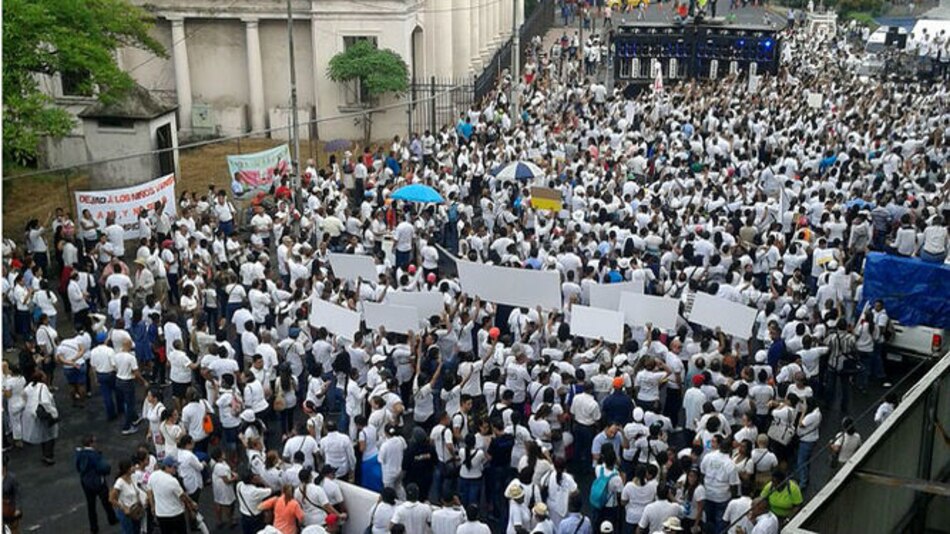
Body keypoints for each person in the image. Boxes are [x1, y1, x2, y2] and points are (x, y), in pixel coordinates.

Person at [75, 435, 117, 533]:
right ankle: (112, 519)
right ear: (91, 443)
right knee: (106, 502)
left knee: (91, 506)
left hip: (86, 482)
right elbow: (103, 467)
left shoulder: (80, 454)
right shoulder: (94, 455)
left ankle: (94, 528)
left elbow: (78, 467)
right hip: (98, 482)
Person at [147, 455, 197, 534]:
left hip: (161, 514)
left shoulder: (153, 476)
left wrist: (153, 506)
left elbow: (149, 491)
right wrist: (191, 504)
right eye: (174, 467)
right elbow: (182, 496)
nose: (176, 469)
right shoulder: (172, 481)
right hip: (176, 513)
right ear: (167, 467)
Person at [22, 370, 58, 465]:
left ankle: (45, 454)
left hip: (32, 414)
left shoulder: (29, 386)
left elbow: (24, 396)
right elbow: (45, 401)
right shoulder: (43, 387)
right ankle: (48, 456)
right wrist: (53, 413)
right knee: (49, 436)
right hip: (43, 413)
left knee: (42, 434)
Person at [109, 459, 146, 534]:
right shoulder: (120, 483)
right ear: (127, 469)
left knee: (137, 530)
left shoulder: (133, 477)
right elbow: (111, 499)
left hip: (135, 511)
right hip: (126, 513)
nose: (134, 467)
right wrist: (123, 508)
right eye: (132, 466)